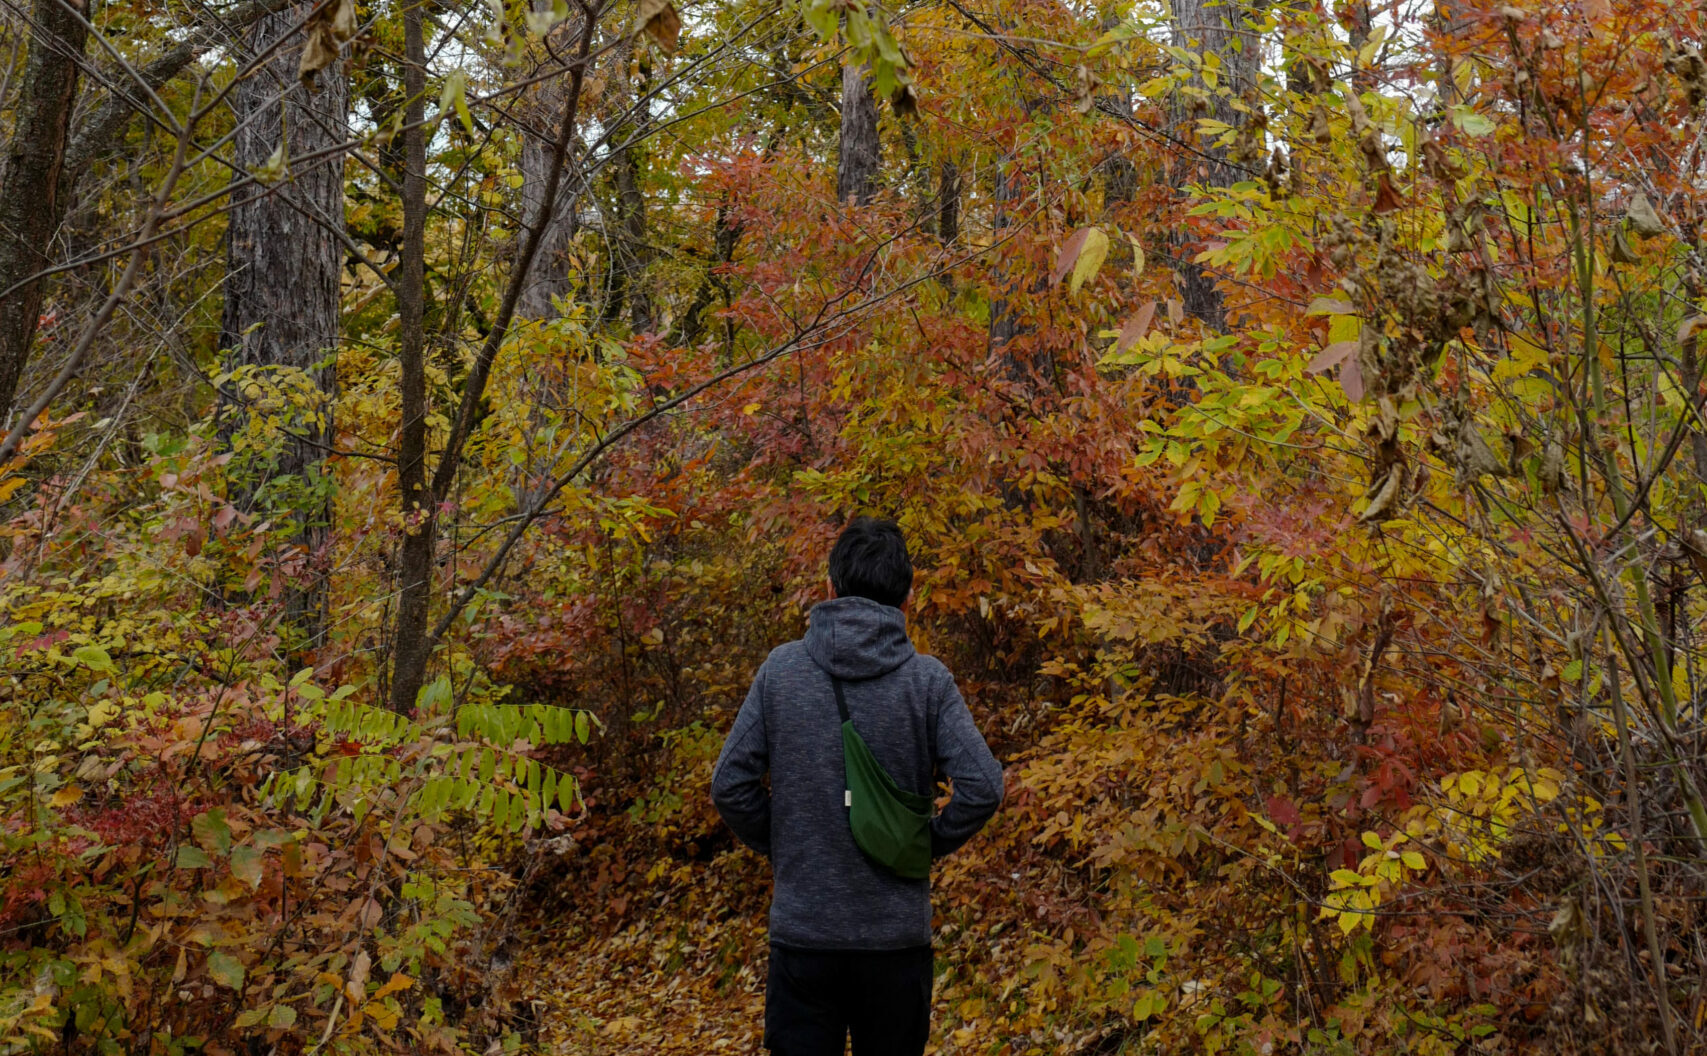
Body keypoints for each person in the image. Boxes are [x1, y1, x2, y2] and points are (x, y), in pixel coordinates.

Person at [711, 516, 1004, 1056]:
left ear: (829, 588)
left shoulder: (782, 671)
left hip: (803, 941)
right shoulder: (927, 682)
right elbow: (984, 786)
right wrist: (923, 842)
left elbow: (730, 784)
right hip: (895, 945)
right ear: (908, 599)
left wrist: (782, 843)